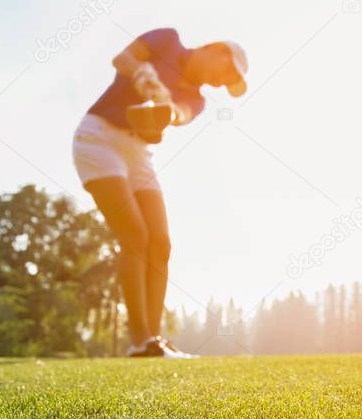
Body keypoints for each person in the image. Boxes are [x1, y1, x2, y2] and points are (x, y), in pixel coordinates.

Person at [73, 28, 247, 358]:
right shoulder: (167, 39)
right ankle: (140, 341)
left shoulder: (196, 99)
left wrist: (165, 105)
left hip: (137, 150)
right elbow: (121, 58)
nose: (221, 82)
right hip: (98, 137)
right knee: (135, 236)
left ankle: (153, 338)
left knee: (161, 243)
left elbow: (179, 114)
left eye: (227, 82)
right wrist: (142, 71)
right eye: (227, 71)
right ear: (215, 48)